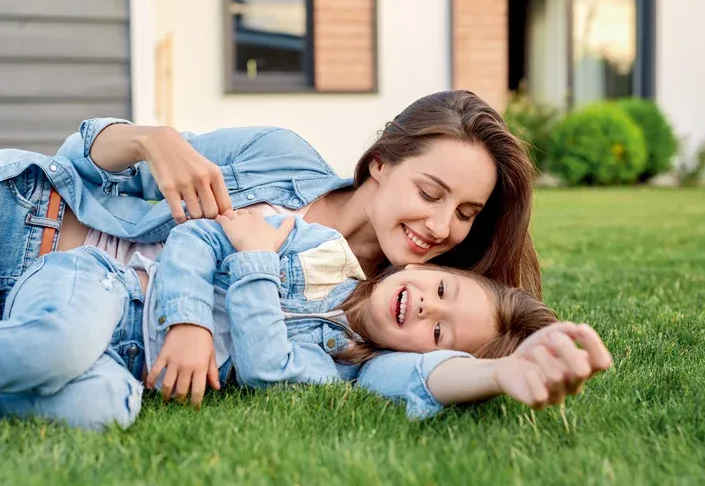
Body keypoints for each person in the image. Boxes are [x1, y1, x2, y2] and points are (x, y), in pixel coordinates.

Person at [0, 210, 612, 431]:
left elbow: (268, 369)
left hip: (127, 368)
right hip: (106, 289)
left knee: (105, 410)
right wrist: (190, 323)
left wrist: (504, 373)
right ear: (427, 267)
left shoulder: (337, 372)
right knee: (61, 345)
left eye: (439, 330)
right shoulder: (320, 248)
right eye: (442, 287)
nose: (429, 306)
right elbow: (197, 237)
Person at [0, 91, 541, 319]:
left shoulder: (382, 310)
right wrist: (149, 139)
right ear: (380, 162)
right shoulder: (277, 157)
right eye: (430, 193)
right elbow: (79, 156)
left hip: (40, 315)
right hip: (27, 216)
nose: (442, 226)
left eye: (467, 214)